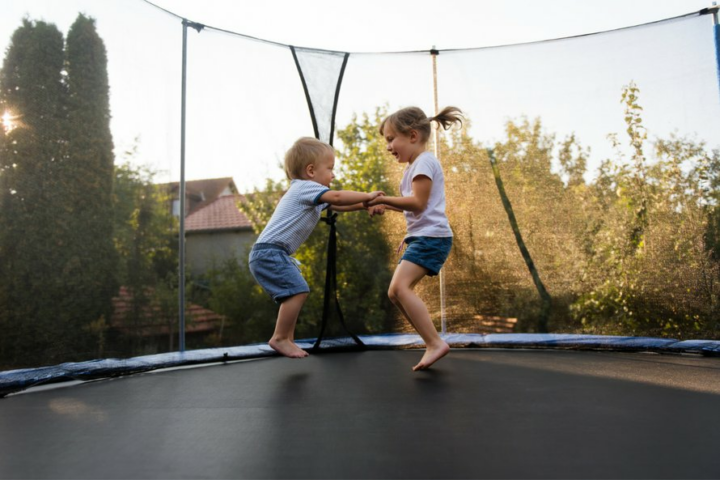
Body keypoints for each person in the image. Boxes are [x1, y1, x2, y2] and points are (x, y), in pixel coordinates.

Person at [249, 137, 384, 359]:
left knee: (293, 292)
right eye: (330, 169)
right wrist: (368, 195)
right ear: (311, 171)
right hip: (269, 253)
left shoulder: (308, 193)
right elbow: (339, 196)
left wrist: (365, 205)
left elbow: (340, 204)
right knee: (298, 290)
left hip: (270, 253)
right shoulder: (304, 188)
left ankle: (286, 338)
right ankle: (281, 338)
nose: (333, 175)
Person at [366, 106, 463, 371]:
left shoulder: (424, 162)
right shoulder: (413, 167)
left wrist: (384, 199)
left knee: (399, 289)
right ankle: (432, 342)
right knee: (395, 293)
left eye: (390, 139)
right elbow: (416, 206)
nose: (388, 146)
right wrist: (386, 206)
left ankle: (434, 343)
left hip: (432, 238)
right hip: (424, 237)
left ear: (412, 135)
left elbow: (418, 203)